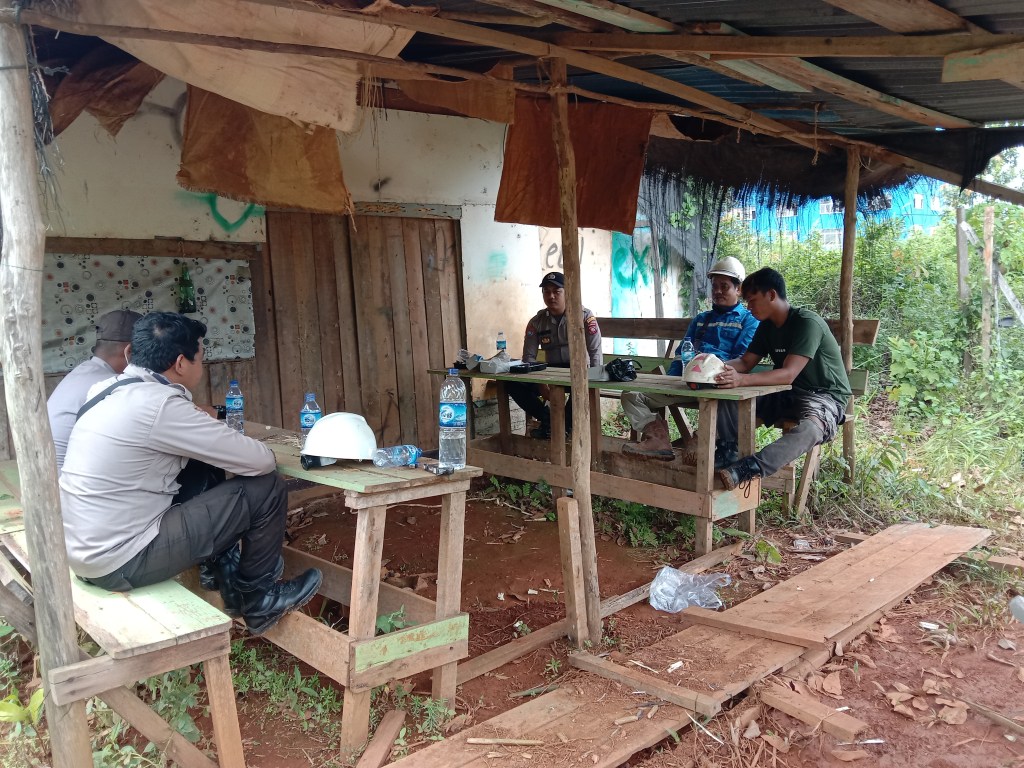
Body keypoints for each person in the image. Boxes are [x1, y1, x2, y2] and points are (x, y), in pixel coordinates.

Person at [60, 312, 322, 636]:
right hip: (121, 560)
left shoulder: (105, 390)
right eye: (201, 357)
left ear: (130, 353)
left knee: (201, 462)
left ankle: (223, 574)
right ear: (181, 363)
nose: (202, 365)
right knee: (266, 488)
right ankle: (260, 600)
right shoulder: (160, 405)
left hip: (83, 551)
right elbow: (261, 462)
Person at [713, 267, 851, 490]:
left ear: (771, 294)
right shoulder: (766, 326)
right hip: (785, 392)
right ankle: (728, 451)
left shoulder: (807, 323)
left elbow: (788, 373)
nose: (749, 307)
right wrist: (711, 367)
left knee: (812, 429)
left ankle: (750, 467)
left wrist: (741, 380)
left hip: (824, 396)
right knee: (729, 393)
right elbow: (746, 363)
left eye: (752, 300)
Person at [621, 257, 758, 460]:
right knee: (631, 394)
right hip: (688, 382)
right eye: (714, 286)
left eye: (724, 286)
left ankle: (701, 440)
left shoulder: (749, 321)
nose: (717, 291)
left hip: (719, 388)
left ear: (738, 289)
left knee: (723, 408)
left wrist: (713, 373)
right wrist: (671, 382)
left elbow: (742, 361)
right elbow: (682, 354)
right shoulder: (701, 320)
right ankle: (658, 439)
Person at [506, 271, 603, 438]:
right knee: (511, 383)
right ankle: (548, 420)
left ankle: (564, 427)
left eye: (557, 291)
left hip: (578, 371)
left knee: (583, 387)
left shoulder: (583, 316)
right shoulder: (537, 322)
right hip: (550, 373)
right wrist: (540, 383)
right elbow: (528, 358)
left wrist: (594, 378)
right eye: (546, 291)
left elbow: (595, 351)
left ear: (567, 293)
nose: (551, 296)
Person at [47, 309, 142, 471]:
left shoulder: (84, 371)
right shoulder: (112, 384)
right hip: (61, 481)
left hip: (54, 472)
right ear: (129, 351)